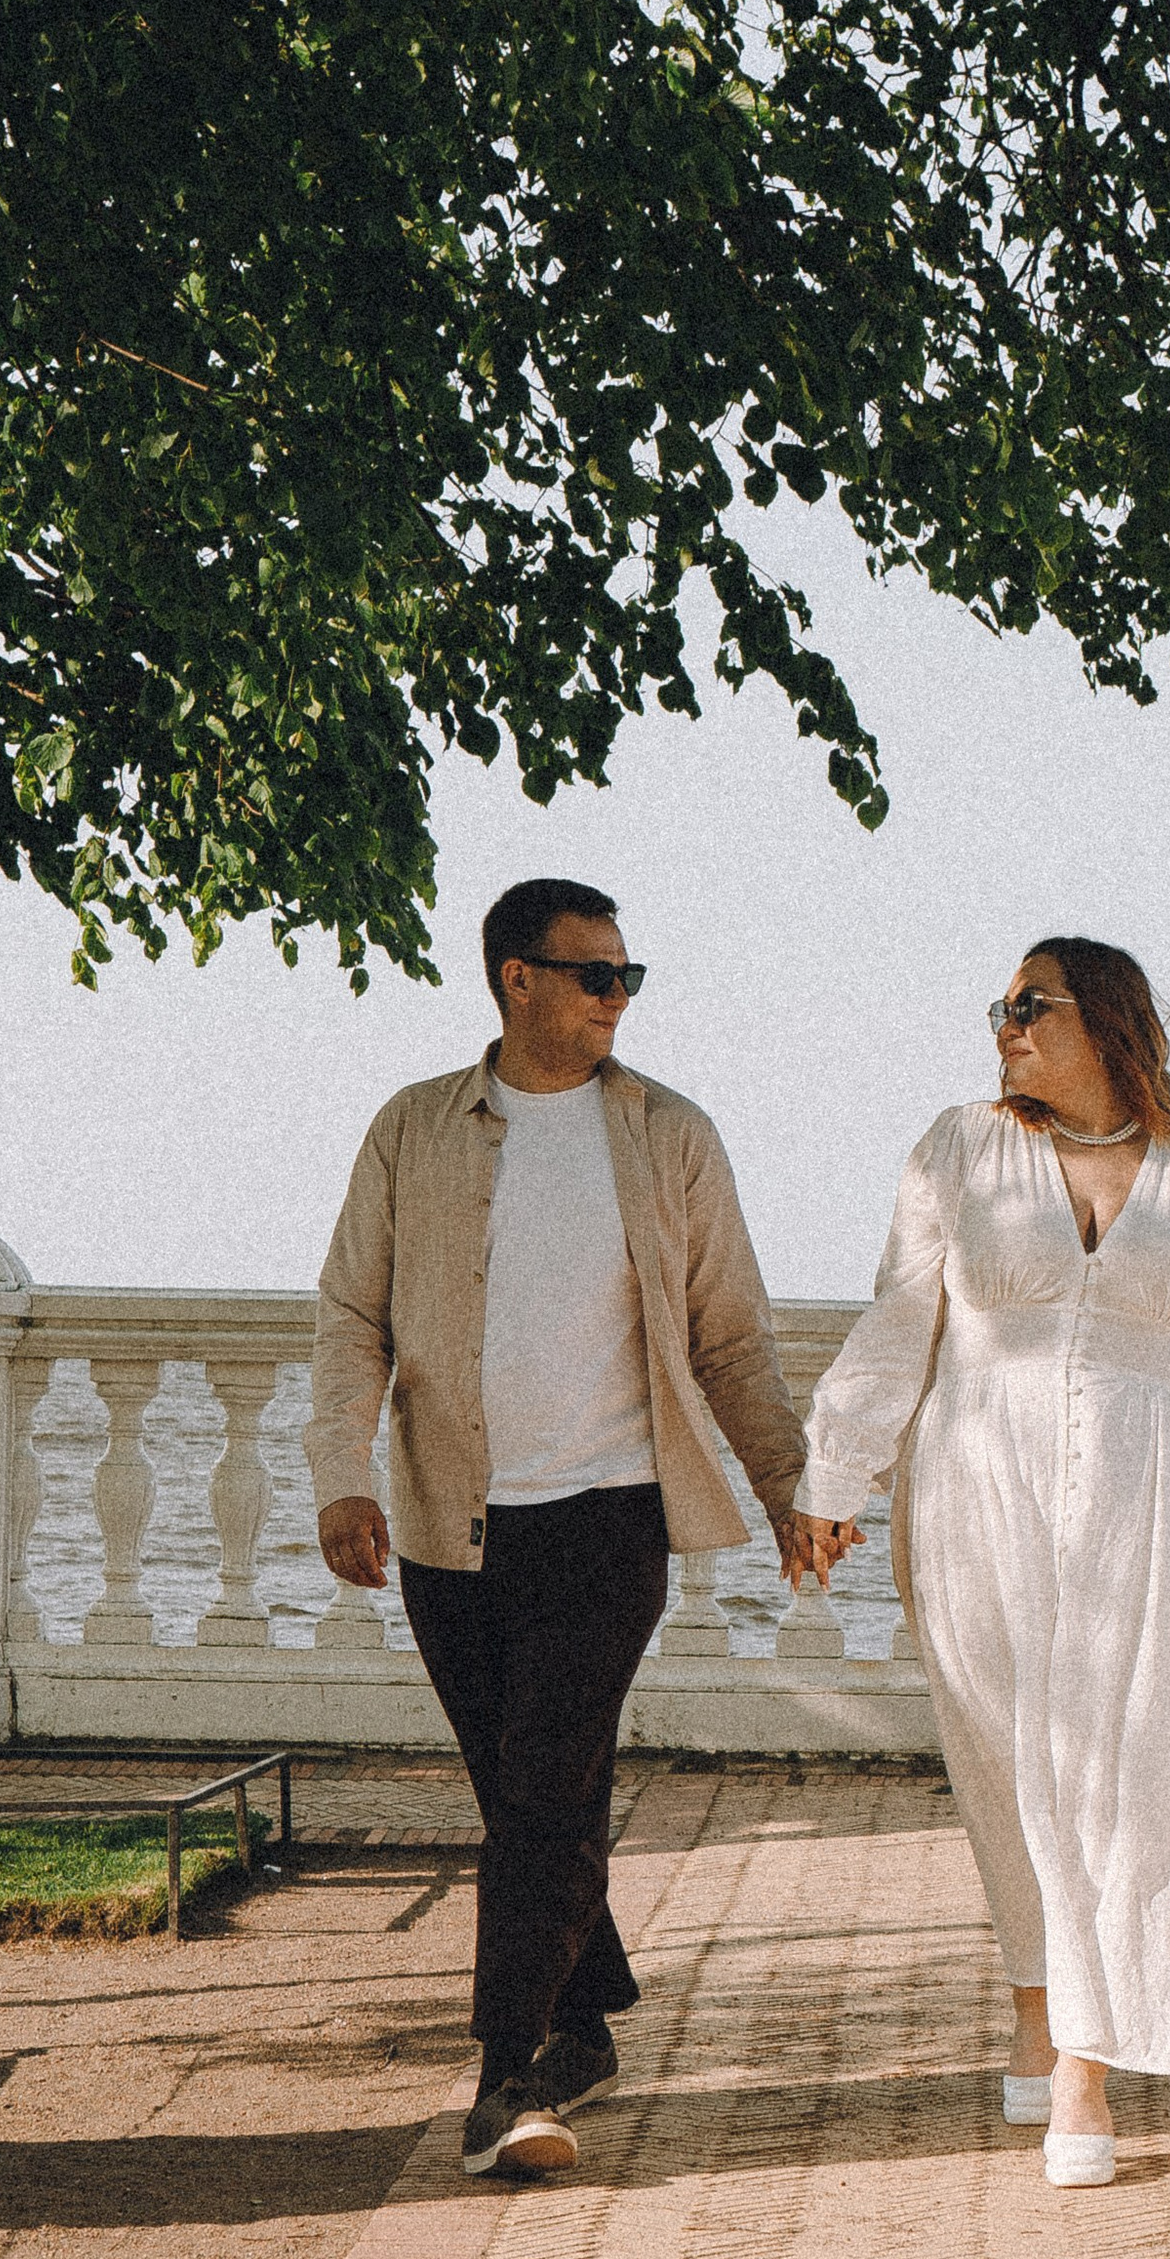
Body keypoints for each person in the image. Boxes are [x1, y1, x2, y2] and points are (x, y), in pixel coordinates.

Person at [790, 937, 1170, 2186]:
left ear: (1108, 1021)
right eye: (1000, 1006)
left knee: (1130, 1770)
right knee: (1013, 1764)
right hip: (976, 1484)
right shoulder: (958, 1148)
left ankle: (1083, 2066)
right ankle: (1039, 1999)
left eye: (1033, 1004)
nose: (1005, 1024)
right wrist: (835, 1477)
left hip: (1160, 1499)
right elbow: (902, 1315)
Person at [311, 877, 808, 2183]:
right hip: (448, 1527)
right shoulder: (414, 1132)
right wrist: (339, 1475)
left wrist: (787, 1489)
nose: (618, 1000)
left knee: (538, 1804)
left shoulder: (667, 1138)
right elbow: (350, 1317)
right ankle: (581, 2018)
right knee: (527, 1792)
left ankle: (503, 2080)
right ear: (515, 978)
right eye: (596, 975)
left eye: (629, 977)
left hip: (608, 1520)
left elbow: (733, 1340)